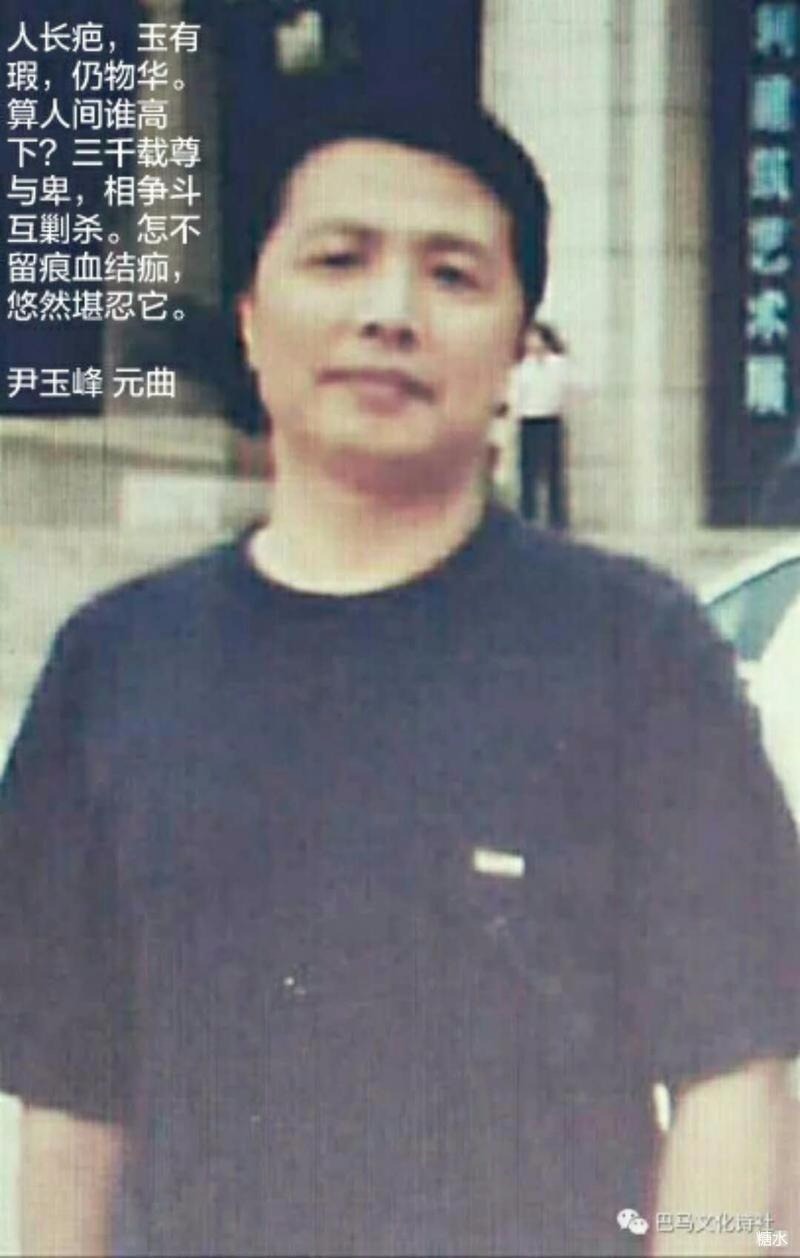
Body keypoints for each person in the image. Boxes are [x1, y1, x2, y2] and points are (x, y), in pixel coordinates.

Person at [0, 95, 798, 1258]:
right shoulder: (112, 664)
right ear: (250, 318)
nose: (388, 313)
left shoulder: (637, 654)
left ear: (518, 353)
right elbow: (69, 1105)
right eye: (338, 259)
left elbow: (735, 1079)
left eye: (451, 275)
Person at [507, 320, 570, 527]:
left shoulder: (558, 364)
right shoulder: (521, 368)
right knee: (528, 473)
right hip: (529, 421)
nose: (532, 342)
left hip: (551, 420)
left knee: (554, 473)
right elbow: (515, 396)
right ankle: (528, 517)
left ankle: (558, 521)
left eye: (536, 337)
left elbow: (571, 387)